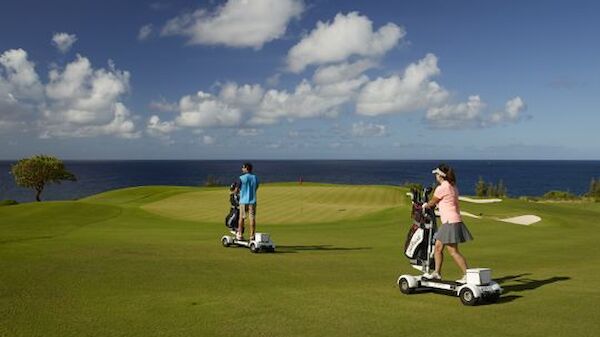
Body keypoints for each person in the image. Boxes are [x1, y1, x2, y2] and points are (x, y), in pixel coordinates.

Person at [422, 163, 473, 283]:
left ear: (440, 175)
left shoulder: (442, 188)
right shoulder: (453, 186)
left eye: (436, 174)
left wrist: (425, 205)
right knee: (438, 248)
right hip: (452, 220)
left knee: (453, 251)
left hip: (450, 222)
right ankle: (436, 273)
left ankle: (467, 275)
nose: (435, 176)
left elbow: (432, 202)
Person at [237, 162, 259, 241]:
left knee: (241, 218)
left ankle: (239, 235)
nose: (242, 169)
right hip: (252, 201)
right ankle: (252, 236)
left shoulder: (241, 178)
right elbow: (256, 187)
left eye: (243, 167)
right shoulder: (255, 177)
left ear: (247, 168)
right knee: (252, 218)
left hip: (243, 201)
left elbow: (237, 189)